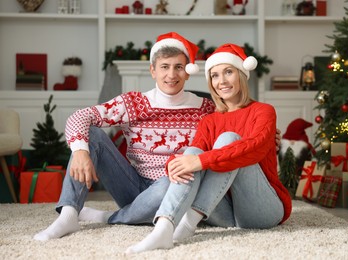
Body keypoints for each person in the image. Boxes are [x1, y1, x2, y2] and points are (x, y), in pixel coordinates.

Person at [33, 32, 281, 242]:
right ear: (153, 70)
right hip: (132, 184)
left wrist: (270, 138)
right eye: (164, 67)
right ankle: (68, 213)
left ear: (188, 73)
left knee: (181, 173)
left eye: (178, 68)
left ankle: (108, 217)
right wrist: (80, 150)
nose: (171, 75)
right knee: (92, 134)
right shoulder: (133, 102)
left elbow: (237, 128)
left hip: (175, 183)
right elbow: (80, 117)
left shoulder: (206, 108)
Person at [128, 43, 292, 254]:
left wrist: (201, 161)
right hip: (222, 212)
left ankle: (187, 225)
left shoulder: (263, 111)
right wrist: (174, 164)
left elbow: (256, 147)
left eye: (228, 72)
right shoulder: (209, 121)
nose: (221, 81)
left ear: (241, 74)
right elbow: (193, 154)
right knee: (194, 153)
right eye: (214, 75)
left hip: (262, 210)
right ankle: (164, 227)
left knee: (228, 140)